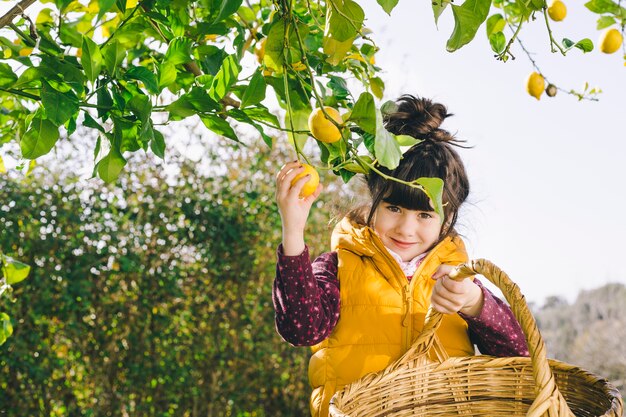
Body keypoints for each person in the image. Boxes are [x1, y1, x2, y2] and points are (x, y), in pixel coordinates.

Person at [273, 95, 529, 417]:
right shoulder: (340, 265)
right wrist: (293, 233)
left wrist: (475, 303)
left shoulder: (457, 280)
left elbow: (520, 356)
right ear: (373, 202)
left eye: (424, 216)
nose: (406, 229)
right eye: (394, 208)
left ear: (448, 220)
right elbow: (301, 328)